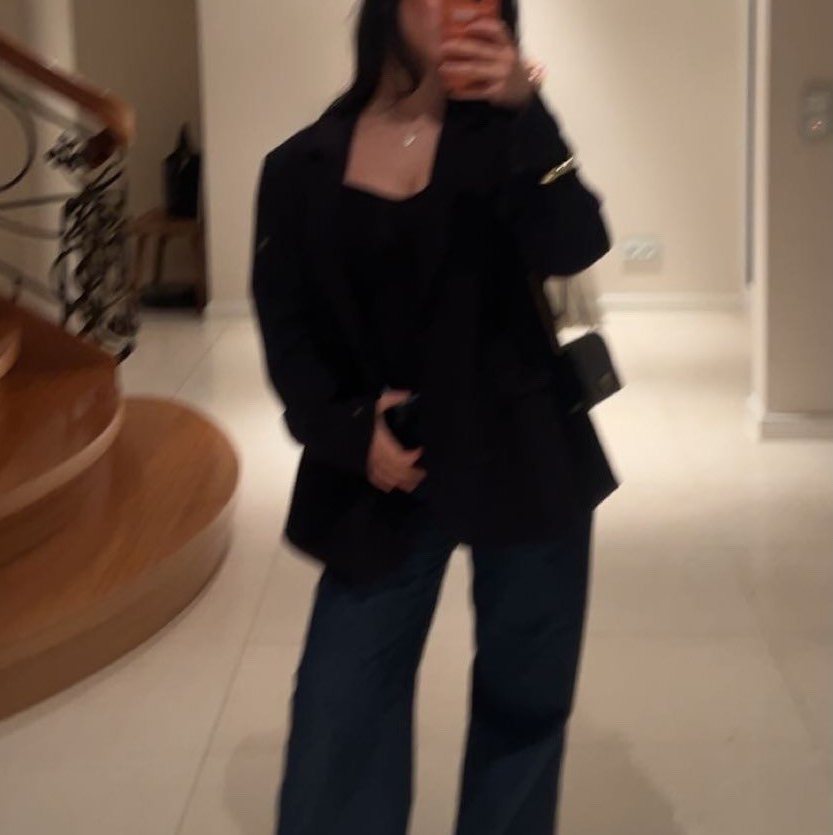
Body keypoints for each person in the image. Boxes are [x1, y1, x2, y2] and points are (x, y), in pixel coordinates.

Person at [250, 1, 620, 833]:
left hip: (523, 450)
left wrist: (528, 112)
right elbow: (288, 334)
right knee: (341, 704)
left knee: (526, 698)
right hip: (389, 465)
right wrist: (349, 431)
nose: (458, 7)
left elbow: (575, 244)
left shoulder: (509, 142)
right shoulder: (302, 165)